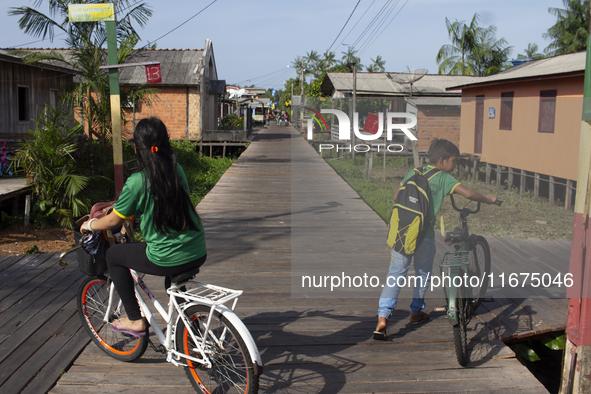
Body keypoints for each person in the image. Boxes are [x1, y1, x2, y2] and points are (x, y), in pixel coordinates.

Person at [80, 117, 207, 337]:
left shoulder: (137, 181)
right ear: (165, 143)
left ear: (138, 149)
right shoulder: (178, 170)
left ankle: (134, 319)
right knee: (173, 281)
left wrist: (90, 224)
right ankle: (193, 332)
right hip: (197, 249)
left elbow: (112, 221)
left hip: (165, 257)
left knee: (114, 255)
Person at [373, 139, 496, 341]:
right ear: (442, 161)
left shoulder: (414, 172)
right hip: (425, 236)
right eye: (453, 161)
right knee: (422, 273)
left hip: (404, 233)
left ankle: (383, 318)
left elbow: (396, 196)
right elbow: (468, 194)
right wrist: (488, 199)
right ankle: (415, 312)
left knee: (395, 274)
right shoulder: (444, 178)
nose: (454, 166)